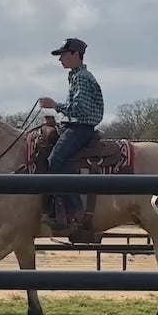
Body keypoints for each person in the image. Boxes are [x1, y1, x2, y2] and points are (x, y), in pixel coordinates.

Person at [38, 37, 105, 229]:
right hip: (75, 126)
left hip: (80, 128)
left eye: (64, 55)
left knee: (56, 160)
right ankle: (53, 206)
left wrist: (55, 105)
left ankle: (74, 208)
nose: (60, 59)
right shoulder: (77, 76)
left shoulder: (82, 78)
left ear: (76, 55)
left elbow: (80, 109)